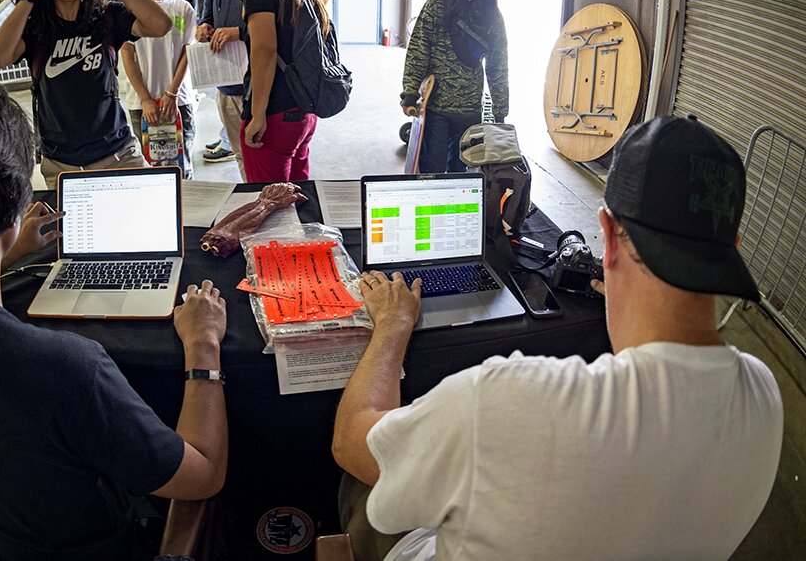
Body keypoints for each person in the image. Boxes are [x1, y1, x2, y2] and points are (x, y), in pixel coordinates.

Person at [332, 114, 783, 561]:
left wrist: (393, 325)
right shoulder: (764, 394)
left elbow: (351, 442)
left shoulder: (509, 399)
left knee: (368, 481)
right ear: (733, 248)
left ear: (608, 235)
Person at [0, 77, 228, 560]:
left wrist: (5, 253)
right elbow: (204, 475)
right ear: (13, 215)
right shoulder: (67, 367)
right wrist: (203, 344)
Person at [0, 0, 172, 189]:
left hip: (118, 153)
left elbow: (161, 24)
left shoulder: (108, 16)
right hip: (62, 164)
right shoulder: (36, 27)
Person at [220, 0, 330, 182]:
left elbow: (265, 49)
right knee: (299, 193)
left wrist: (258, 114)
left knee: (269, 199)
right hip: (304, 108)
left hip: (275, 112)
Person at [401, 0, 509, 173]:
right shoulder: (436, 4)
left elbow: (498, 63)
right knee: (432, 170)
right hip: (436, 106)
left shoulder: (491, 12)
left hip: (470, 107)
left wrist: (500, 108)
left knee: (461, 172)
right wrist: (410, 91)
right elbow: (419, 49)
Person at [120, 0, 197, 179]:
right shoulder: (129, 10)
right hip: (142, 103)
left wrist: (171, 94)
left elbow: (187, 51)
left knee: (182, 167)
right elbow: (127, 54)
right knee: (150, 168)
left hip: (179, 100)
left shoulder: (182, 8)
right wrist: (145, 98)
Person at [196, 0, 250, 175]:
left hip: (257, 87)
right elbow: (206, 17)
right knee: (240, 154)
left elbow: (279, 28)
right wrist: (203, 28)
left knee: (261, 155)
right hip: (225, 85)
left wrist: (238, 32)